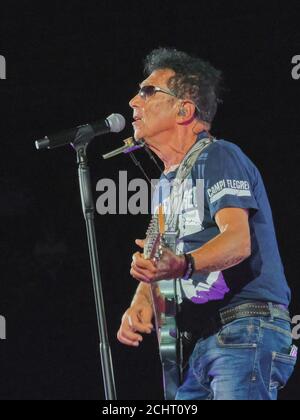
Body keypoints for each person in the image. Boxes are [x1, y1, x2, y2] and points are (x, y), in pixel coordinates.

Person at [117, 48, 297, 400]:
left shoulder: (218, 155)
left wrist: (183, 264)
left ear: (185, 110)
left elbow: (238, 241)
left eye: (149, 91)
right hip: (205, 340)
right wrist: (141, 301)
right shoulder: (167, 185)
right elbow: (157, 254)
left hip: (246, 327)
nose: (133, 101)